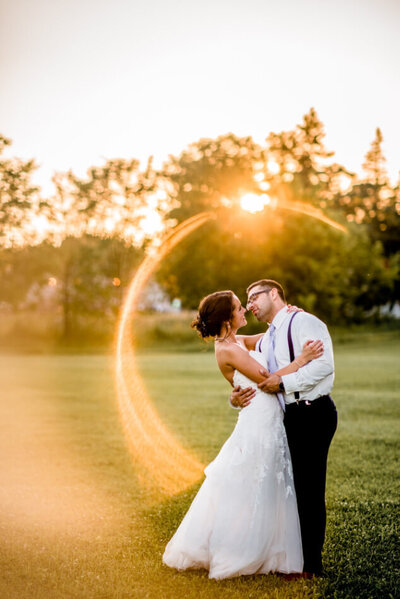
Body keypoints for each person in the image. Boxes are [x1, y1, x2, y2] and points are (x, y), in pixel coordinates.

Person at [162, 290, 323, 580]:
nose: (245, 311)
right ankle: (242, 550)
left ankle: (272, 548)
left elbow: (266, 340)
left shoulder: (236, 341)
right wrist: (303, 359)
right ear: (226, 319)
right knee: (255, 482)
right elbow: (267, 380)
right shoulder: (228, 349)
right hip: (259, 422)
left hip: (268, 417)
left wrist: (285, 318)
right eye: (238, 308)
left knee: (268, 482)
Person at [231, 279, 337, 577]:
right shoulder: (268, 337)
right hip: (286, 416)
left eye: (254, 297)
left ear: (274, 294)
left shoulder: (304, 321)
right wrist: (234, 395)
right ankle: (289, 558)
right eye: (246, 301)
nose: (250, 304)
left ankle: (311, 566)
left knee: (309, 489)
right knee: (289, 488)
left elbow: (324, 366)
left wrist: (284, 382)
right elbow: (232, 343)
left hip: (312, 412)